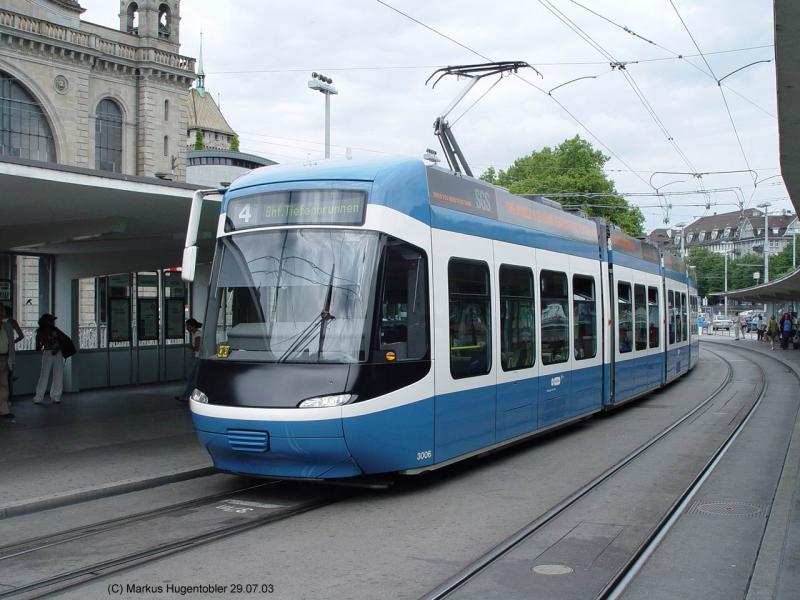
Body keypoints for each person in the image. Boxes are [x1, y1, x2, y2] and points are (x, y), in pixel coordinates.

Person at [33, 313, 65, 404]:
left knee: (58, 374)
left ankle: (56, 396)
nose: (52, 322)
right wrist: (43, 343)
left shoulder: (54, 330)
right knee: (45, 374)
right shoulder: (41, 332)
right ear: (45, 322)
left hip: (56, 352)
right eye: (50, 320)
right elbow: (37, 347)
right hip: (49, 352)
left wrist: (57, 348)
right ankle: (40, 397)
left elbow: (63, 341)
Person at [0, 305, 24, 402]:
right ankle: (8, 399)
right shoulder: (12, 322)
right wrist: (12, 342)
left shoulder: (3, 324)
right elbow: (21, 336)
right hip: (10, 353)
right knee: (8, 377)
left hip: (3, 352)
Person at [177, 318, 202, 403]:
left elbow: (196, 348)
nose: (187, 328)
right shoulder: (197, 334)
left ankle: (187, 396)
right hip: (197, 358)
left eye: (187, 326)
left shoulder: (198, 334)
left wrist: (187, 345)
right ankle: (187, 396)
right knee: (192, 378)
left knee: (191, 377)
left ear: (192, 326)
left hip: (197, 358)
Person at [0, 320, 13, 421]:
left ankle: (4, 410)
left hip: (4, 357)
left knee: (4, 384)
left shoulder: (5, 327)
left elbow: (8, 344)